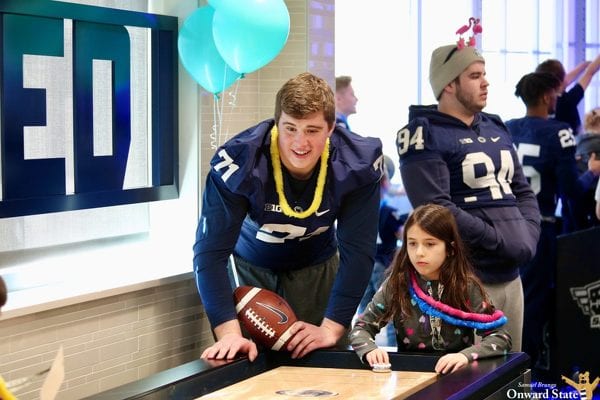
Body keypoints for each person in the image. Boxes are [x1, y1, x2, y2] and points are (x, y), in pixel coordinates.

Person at [193, 72, 384, 362]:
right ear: (276, 123)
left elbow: (358, 252)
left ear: (331, 127)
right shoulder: (240, 160)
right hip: (250, 269)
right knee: (245, 364)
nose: (300, 142)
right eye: (290, 128)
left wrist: (332, 328)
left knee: (324, 366)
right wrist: (229, 333)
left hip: (317, 269)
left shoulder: (357, 163)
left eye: (312, 130)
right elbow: (209, 253)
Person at [397, 42, 541, 352]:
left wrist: (529, 234)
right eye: (475, 76)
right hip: (465, 278)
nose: (485, 82)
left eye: (484, 74)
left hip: (511, 275)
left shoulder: (495, 125)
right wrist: (498, 240)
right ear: (449, 84)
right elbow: (436, 208)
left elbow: (521, 189)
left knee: (510, 368)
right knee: (468, 373)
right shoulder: (424, 133)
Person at [505, 72, 600, 380]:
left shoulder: (507, 127)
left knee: (506, 300)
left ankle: (501, 372)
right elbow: (571, 190)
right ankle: (525, 375)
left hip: (504, 226)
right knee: (533, 304)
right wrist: (592, 172)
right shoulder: (559, 131)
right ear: (547, 96)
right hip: (538, 226)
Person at [349, 204, 511, 374]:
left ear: (450, 249)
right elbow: (361, 327)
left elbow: (500, 337)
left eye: (430, 244)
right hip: (408, 378)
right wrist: (369, 350)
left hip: (457, 376)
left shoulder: (466, 286)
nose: (419, 252)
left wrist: (465, 356)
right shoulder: (397, 284)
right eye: (412, 243)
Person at [356, 155, 406, 347]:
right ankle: (395, 350)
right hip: (383, 263)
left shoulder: (361, 204)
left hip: (362, 264)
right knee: (391, 311)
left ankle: (361, 346)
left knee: (364, 312)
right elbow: (402, 234)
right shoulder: (389, 207)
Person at [536, 56, 600, 136]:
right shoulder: (568, 100)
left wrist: (583, 65)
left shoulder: (542, 100)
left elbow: (564, 80)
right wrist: (589, 66)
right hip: (572, 141)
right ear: (560, 82)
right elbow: (589, 73)